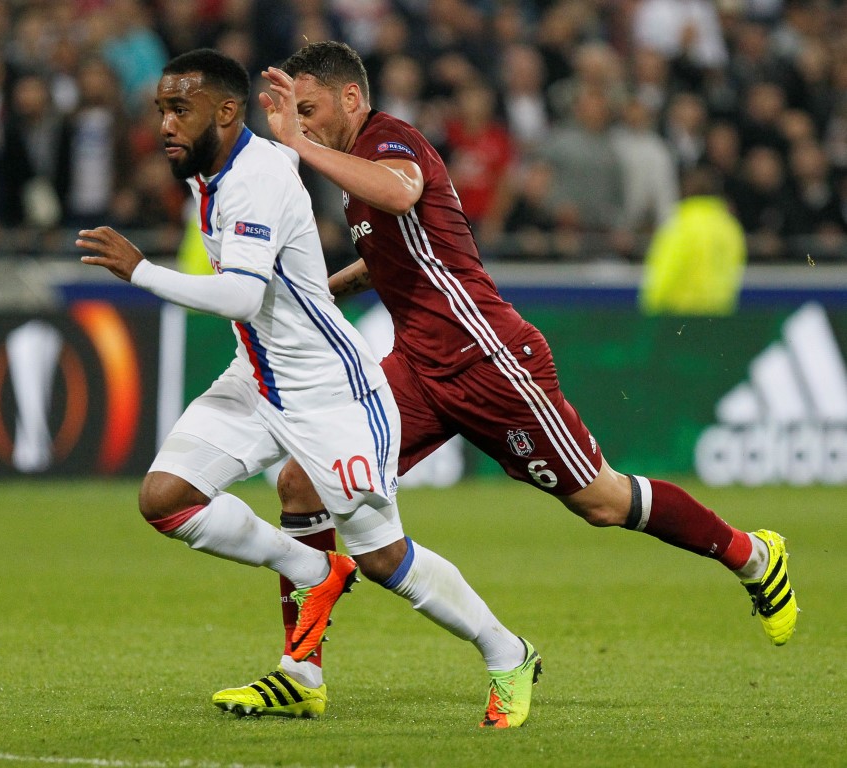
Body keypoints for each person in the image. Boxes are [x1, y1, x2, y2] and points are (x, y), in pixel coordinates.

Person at [213, 39, 798, 723]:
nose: (302, 125)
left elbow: (400, 192)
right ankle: (301, 671)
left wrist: (295, 145)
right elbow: (391, 258)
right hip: (419, 370)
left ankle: (752, 555)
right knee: (302, 482)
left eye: (310, 111)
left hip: (490, 363)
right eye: (295, 117)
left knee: (603, 501)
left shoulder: (391, 142)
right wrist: (320, 293)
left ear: (351, 98)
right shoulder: (353, 169)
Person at [77, 48, 538, 727]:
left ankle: (507, 652)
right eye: (161, 110)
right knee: (167, 498)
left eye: (180, 110)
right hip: (257, 375)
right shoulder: (217, 170)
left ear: (225, 112)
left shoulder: (254, 178)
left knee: (383, 557)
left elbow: (241, 295)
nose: (166, 124)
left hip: (329, 390)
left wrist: (140, 271)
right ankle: (311, 599)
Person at [639, 164, 746, 316]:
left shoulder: (681, 223)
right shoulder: (730, 226)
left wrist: (651, 304)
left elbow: (666, 268)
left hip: (681, 315)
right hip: (719, 315)